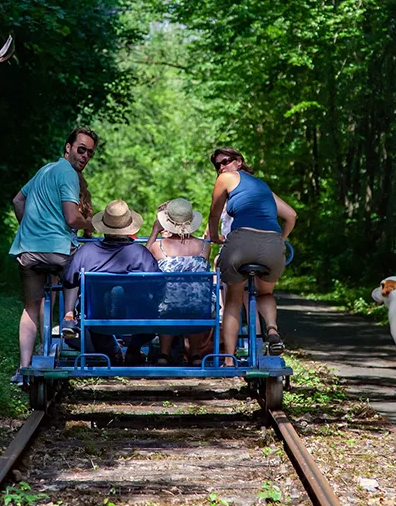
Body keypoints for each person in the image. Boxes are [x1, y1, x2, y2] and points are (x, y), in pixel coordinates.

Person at [9, 127, 98, 385]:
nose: (84, 156)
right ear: (68, 147)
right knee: (81, 260)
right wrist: (92, 225)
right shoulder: (68, 174)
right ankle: (69, 316)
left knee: (30, 308)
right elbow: (72, 218)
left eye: (89, 153)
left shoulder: (44, 171)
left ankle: (24, 368)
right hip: (57, 251)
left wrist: (29, 228)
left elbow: (17, 201)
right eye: (81, 149)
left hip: (27, 251)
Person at [207, 147, 296, 365]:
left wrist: (215, 237)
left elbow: (214, 213)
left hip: (241, 242)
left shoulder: (226, 179)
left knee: (233, 301)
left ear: (239, 161)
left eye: (225, 161)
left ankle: (229, 360)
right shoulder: (262, 187)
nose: (221, 167)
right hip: (273, 245)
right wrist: (280, 241)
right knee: (265, 293)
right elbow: (291, 215)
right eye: (217, 165)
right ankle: (272, 330)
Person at [61, 200, 160, 366]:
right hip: (138, 319)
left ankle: (112, 351)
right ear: (129, 227)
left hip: (97, 320)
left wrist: (70, 311)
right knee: (152, 308)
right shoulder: (140, 253)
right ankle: (133, 350)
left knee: (95, 311)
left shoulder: (86, 252)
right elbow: (159, 286)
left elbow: (69, 280)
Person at [146, 198, 212, 367]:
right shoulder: (205, 246)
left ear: (166, 223)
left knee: (168, 300)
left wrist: (154, 232)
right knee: (194, 297)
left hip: (167, 307)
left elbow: (143, 260)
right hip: (200, 307)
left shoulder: (158, 246)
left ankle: (164, 354)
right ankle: (195, 354)